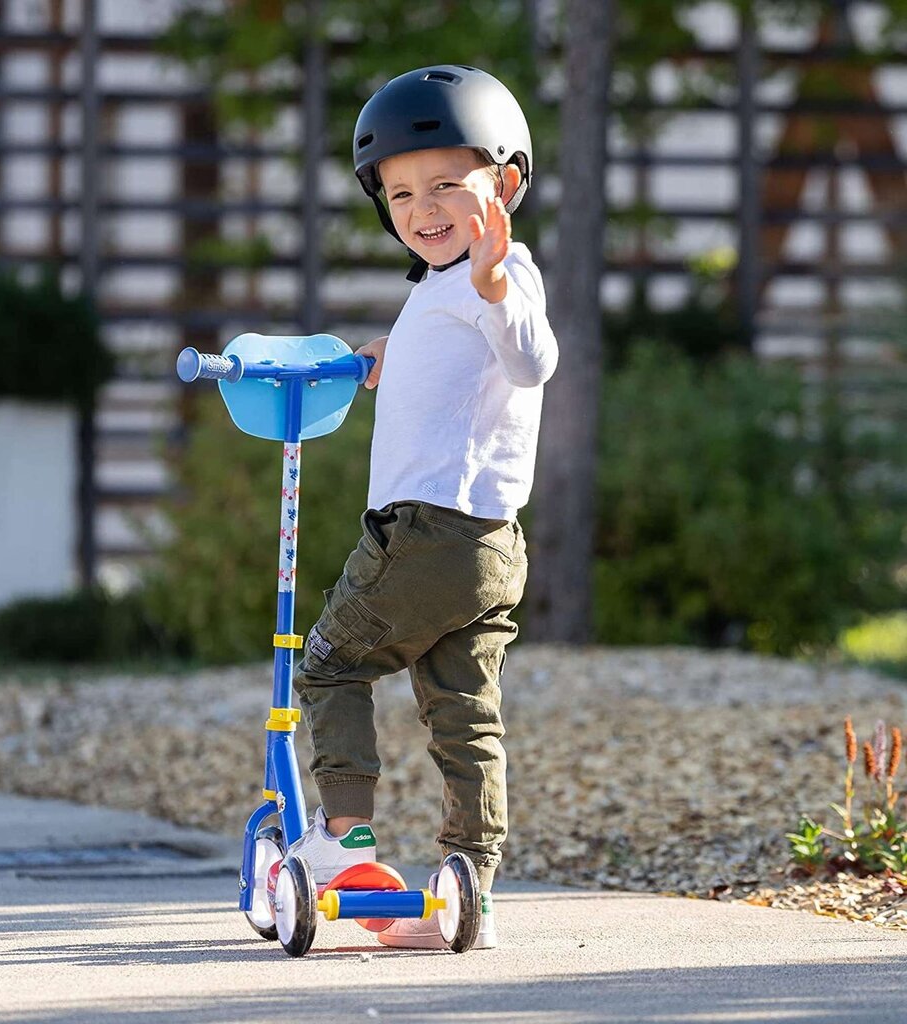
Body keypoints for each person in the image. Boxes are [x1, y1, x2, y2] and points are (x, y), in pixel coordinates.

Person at [288, 64, 558, 949]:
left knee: (328, 663)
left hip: (428, 534)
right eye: (401, 192)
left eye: (447, 182)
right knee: (462, 713)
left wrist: (490, 287)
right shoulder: (439, 288)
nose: (423, 206)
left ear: (505, 185)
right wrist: (384, 355)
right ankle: (465, 882)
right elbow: (451, 364)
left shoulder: (500, 274)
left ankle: (345, 841)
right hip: (488, 545)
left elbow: (528, 362)